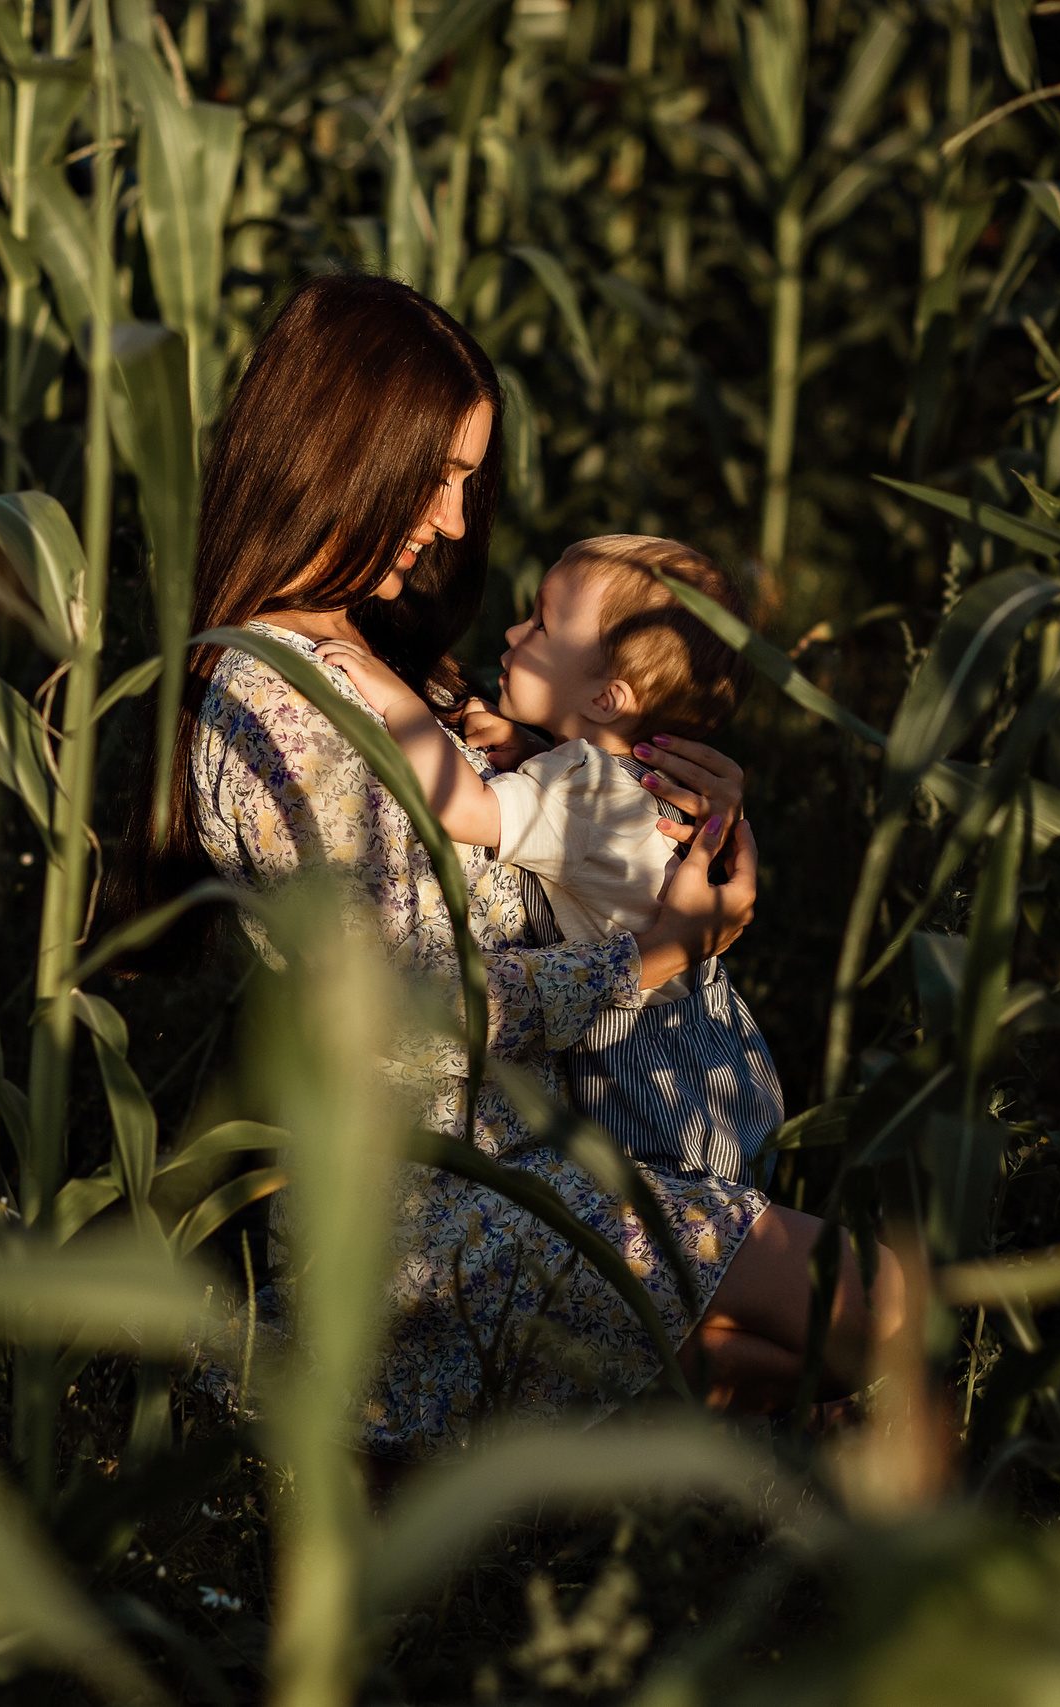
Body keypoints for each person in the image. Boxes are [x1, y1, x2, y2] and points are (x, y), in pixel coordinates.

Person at [142, 271, 901, 1447]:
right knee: (882, 1313)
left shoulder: (387, 657)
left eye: (464, 481)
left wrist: (676, 779)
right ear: (343, 449)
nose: (453, 520)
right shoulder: (281, 700)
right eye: (436, 475)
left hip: (532, 1174)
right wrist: (657, 958)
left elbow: (564, 784)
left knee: (809, 1402)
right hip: (435, 1220)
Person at [313, 534, 784, 1185]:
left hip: (644, 1075)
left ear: (606, 699)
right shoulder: (621, 785)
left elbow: (463, 806)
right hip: (707, 1043)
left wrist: (397, 701)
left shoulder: (584, 790)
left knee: (650, 1235)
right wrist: (537, 749)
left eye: (540, 623)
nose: (512, 630)